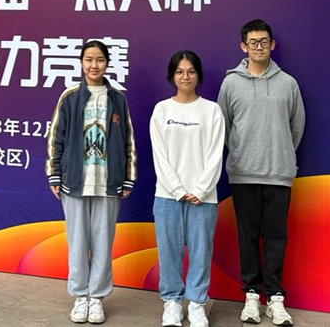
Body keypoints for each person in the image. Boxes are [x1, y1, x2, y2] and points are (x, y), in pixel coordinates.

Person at [217, 19, 305, 326]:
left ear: (272, 45)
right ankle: (252, 296)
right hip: (243, 173)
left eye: (264, 41)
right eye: (253, 42)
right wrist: (243, 153)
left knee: (276, 237)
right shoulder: (230, 84)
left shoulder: (288, 84)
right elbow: (223, 127)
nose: (259, 47)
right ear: (243, 46)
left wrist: (280, 154)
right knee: (248, 236)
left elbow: (296, 127)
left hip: (278, 172)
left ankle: (275, 298)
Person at [45, 40, 137, 324]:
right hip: (75, 182)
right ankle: (80, 297)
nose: (94, 65)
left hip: (108, 184)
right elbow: (56, 138)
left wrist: (127, 177)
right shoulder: (70, 96)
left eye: (99, 59)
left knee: (102, 242)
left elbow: (128, 140)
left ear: (107, 63)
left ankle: (97, 298)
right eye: (88, 59)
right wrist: (55, 173)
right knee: (77, 242)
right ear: (81, 63)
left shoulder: (117, 98)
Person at [150, 51, 224, 327]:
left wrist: (201, 189)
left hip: (203, 197)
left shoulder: (211, 110)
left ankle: (196, 304)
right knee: (168, 251)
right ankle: (171, 303)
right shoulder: (162, 110)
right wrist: (177, 189)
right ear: (172, 76)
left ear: (198, 75)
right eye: (180, 72)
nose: (185, 77)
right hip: (167, 195)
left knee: (201, 252)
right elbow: (159, 155)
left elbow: (216, 154)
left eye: (191, 71)